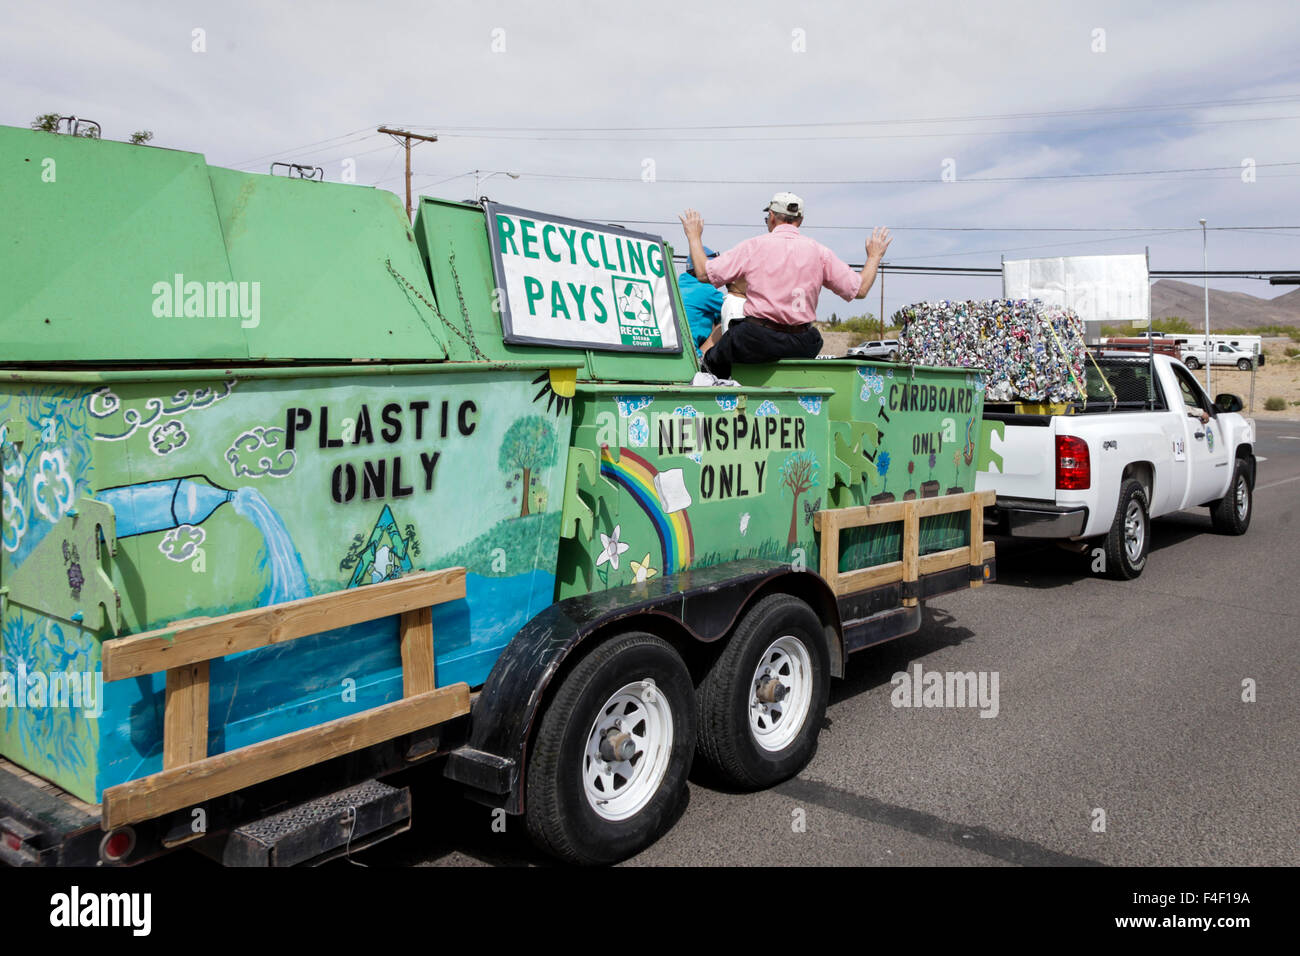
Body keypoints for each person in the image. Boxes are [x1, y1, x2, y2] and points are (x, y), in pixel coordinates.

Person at [679, 192, 892, 378]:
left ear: (771, 217)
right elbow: (860, 289)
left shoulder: (755, 246)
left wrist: (694, 237)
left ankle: (714, 396)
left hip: (757, 339)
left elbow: (703, 273)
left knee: (714, 359)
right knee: (815, 337)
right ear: (800, 220)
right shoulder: (819, 252)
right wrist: (874, 256)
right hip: (802, 343)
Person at [677, 246, 724, 352]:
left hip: (673, 349)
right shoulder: (705, 289)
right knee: (727, 323)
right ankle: (701, 359)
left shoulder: (678, 285)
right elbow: (737, 308)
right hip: (691, 353)